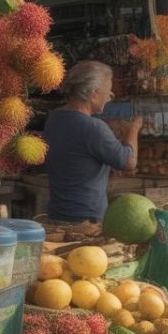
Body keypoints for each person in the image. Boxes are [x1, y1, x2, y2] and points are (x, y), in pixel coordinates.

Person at [44, 61, 140, 223]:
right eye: (108, 92)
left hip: (57, 215)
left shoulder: (54, 118)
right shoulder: (94, 128)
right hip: (86, 221)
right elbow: (129, 162)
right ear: (93, 94)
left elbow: (78, 148)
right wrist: (133, 129)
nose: (110, 97)